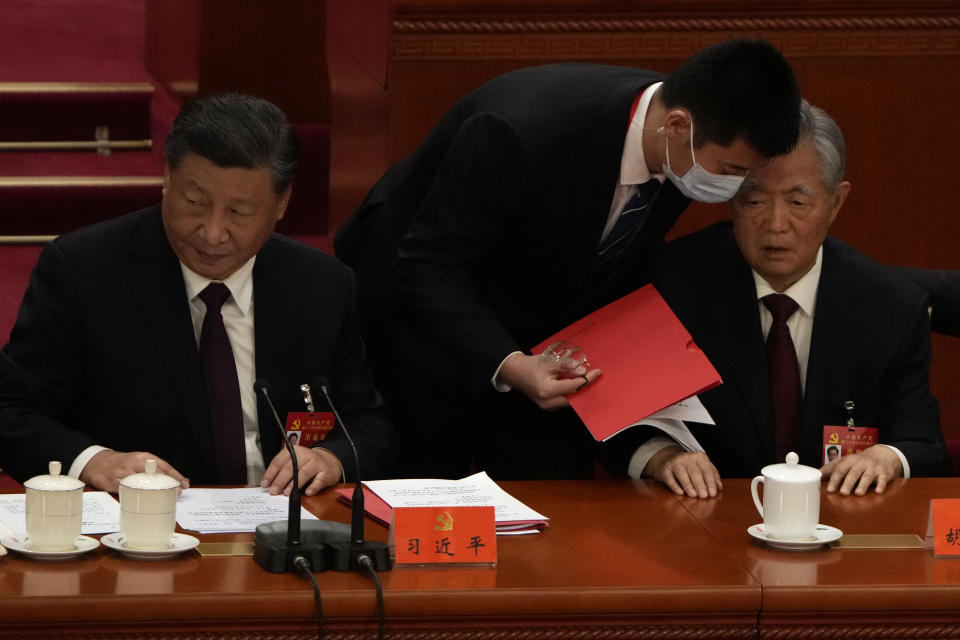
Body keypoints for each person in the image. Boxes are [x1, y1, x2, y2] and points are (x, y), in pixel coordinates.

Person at [335, 39, 802, 479]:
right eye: (730, 171)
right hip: (418, 318)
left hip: (537, 325)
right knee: (430, 501)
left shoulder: (680, 142)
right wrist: (510, 364)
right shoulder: (522, 131)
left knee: (549, 507)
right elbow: (426, 265)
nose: (731, 187)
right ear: (677, 125)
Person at [0, 93, 395, 495]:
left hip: (283, 527)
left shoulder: (322, 285)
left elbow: (369, 425)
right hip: (138, 530)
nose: (212, 233)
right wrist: (94, 461)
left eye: (239, 212)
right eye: (194, 203)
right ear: (167, 178)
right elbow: (12, 411)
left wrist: (332, 458)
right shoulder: (83, 271)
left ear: (282, 204)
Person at [612, 101, 949, 497]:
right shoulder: (673, 284)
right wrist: (660, 455)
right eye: (754, 201)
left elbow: (924, 446)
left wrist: (888, 457)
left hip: (837, 524)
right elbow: (613, 417)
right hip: (703, 520)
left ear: (836, 202)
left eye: (797, 202)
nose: (774, 224)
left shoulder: (889, 306)